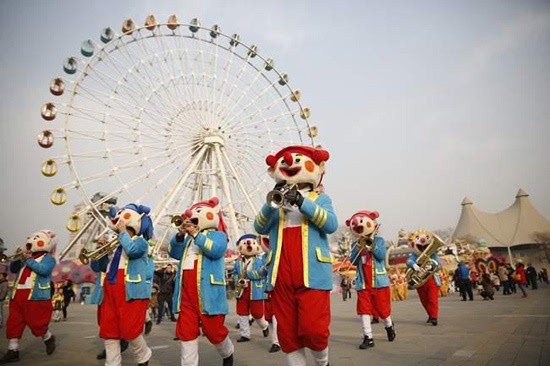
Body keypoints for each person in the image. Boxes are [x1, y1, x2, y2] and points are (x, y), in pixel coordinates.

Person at [254, 145, 336, 366]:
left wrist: (302, 202)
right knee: (288, 334)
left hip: (312, 273)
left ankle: (322, 362)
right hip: (280, 273)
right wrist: (273, 202)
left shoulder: (320, 199)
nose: (289, 163)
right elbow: (259, 226)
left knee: (314, 329)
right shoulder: (276, 202)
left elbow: (330, 224)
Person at [170, 197, 234, 366]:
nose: (190, 218)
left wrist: (196, 234)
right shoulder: (188, 241)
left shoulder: (219, 235)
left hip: (208, 291)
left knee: (214, 331)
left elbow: (216, 250)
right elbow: (173, 253)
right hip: (186, 292)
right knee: (186, 331)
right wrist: (179, 236)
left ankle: (227, 351)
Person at [90, 204, 154, 366]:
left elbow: (132, 251)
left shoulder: (141, 243)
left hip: (129, 291)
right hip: (109, 291)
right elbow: (98, 268)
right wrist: (99, 253)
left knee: (130, 331)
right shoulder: (115, 243)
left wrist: (123, 233)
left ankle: (143, 355)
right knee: (109, 331)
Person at [0, 230, 57, 364]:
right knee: (14, 323)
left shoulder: (49, 258)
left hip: (36, 296)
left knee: (37, 323)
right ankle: (13, 350)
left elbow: (44, 270)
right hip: (18, 294)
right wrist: (17, 258)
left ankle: (48, 337)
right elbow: (13, 269)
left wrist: (28, 259)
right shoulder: (27, 258)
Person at [347, 210, 396, 349]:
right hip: (363, 282)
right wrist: (357, 249)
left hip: (379, 281)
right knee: (364, 310)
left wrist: (371, 246)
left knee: (383, 310)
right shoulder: (355, 244)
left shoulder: (379, 240)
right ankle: (368, 337)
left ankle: (389, 326)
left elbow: (381, 256)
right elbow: (353, 262)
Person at [233, 234, 269, 342]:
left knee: (257, 313)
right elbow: (235, 273)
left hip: (255, 290)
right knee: (242, 312)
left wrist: (248, 274)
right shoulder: (238, 262)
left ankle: (265, 325)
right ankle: (245, 334)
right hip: (242, 289)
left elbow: (262, 274)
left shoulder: (260, 261)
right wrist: (237, 281)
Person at [406, 231, 442, 326]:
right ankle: (430, 314)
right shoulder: (414, 255)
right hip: (420, 281)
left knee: (432, 298)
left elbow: (439, 265)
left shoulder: (433, 254)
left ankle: (434, 317)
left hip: (431, 279)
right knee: (424, 300)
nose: (422, 241)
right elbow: (409, 261)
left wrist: (431, 266)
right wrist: (413, 265)